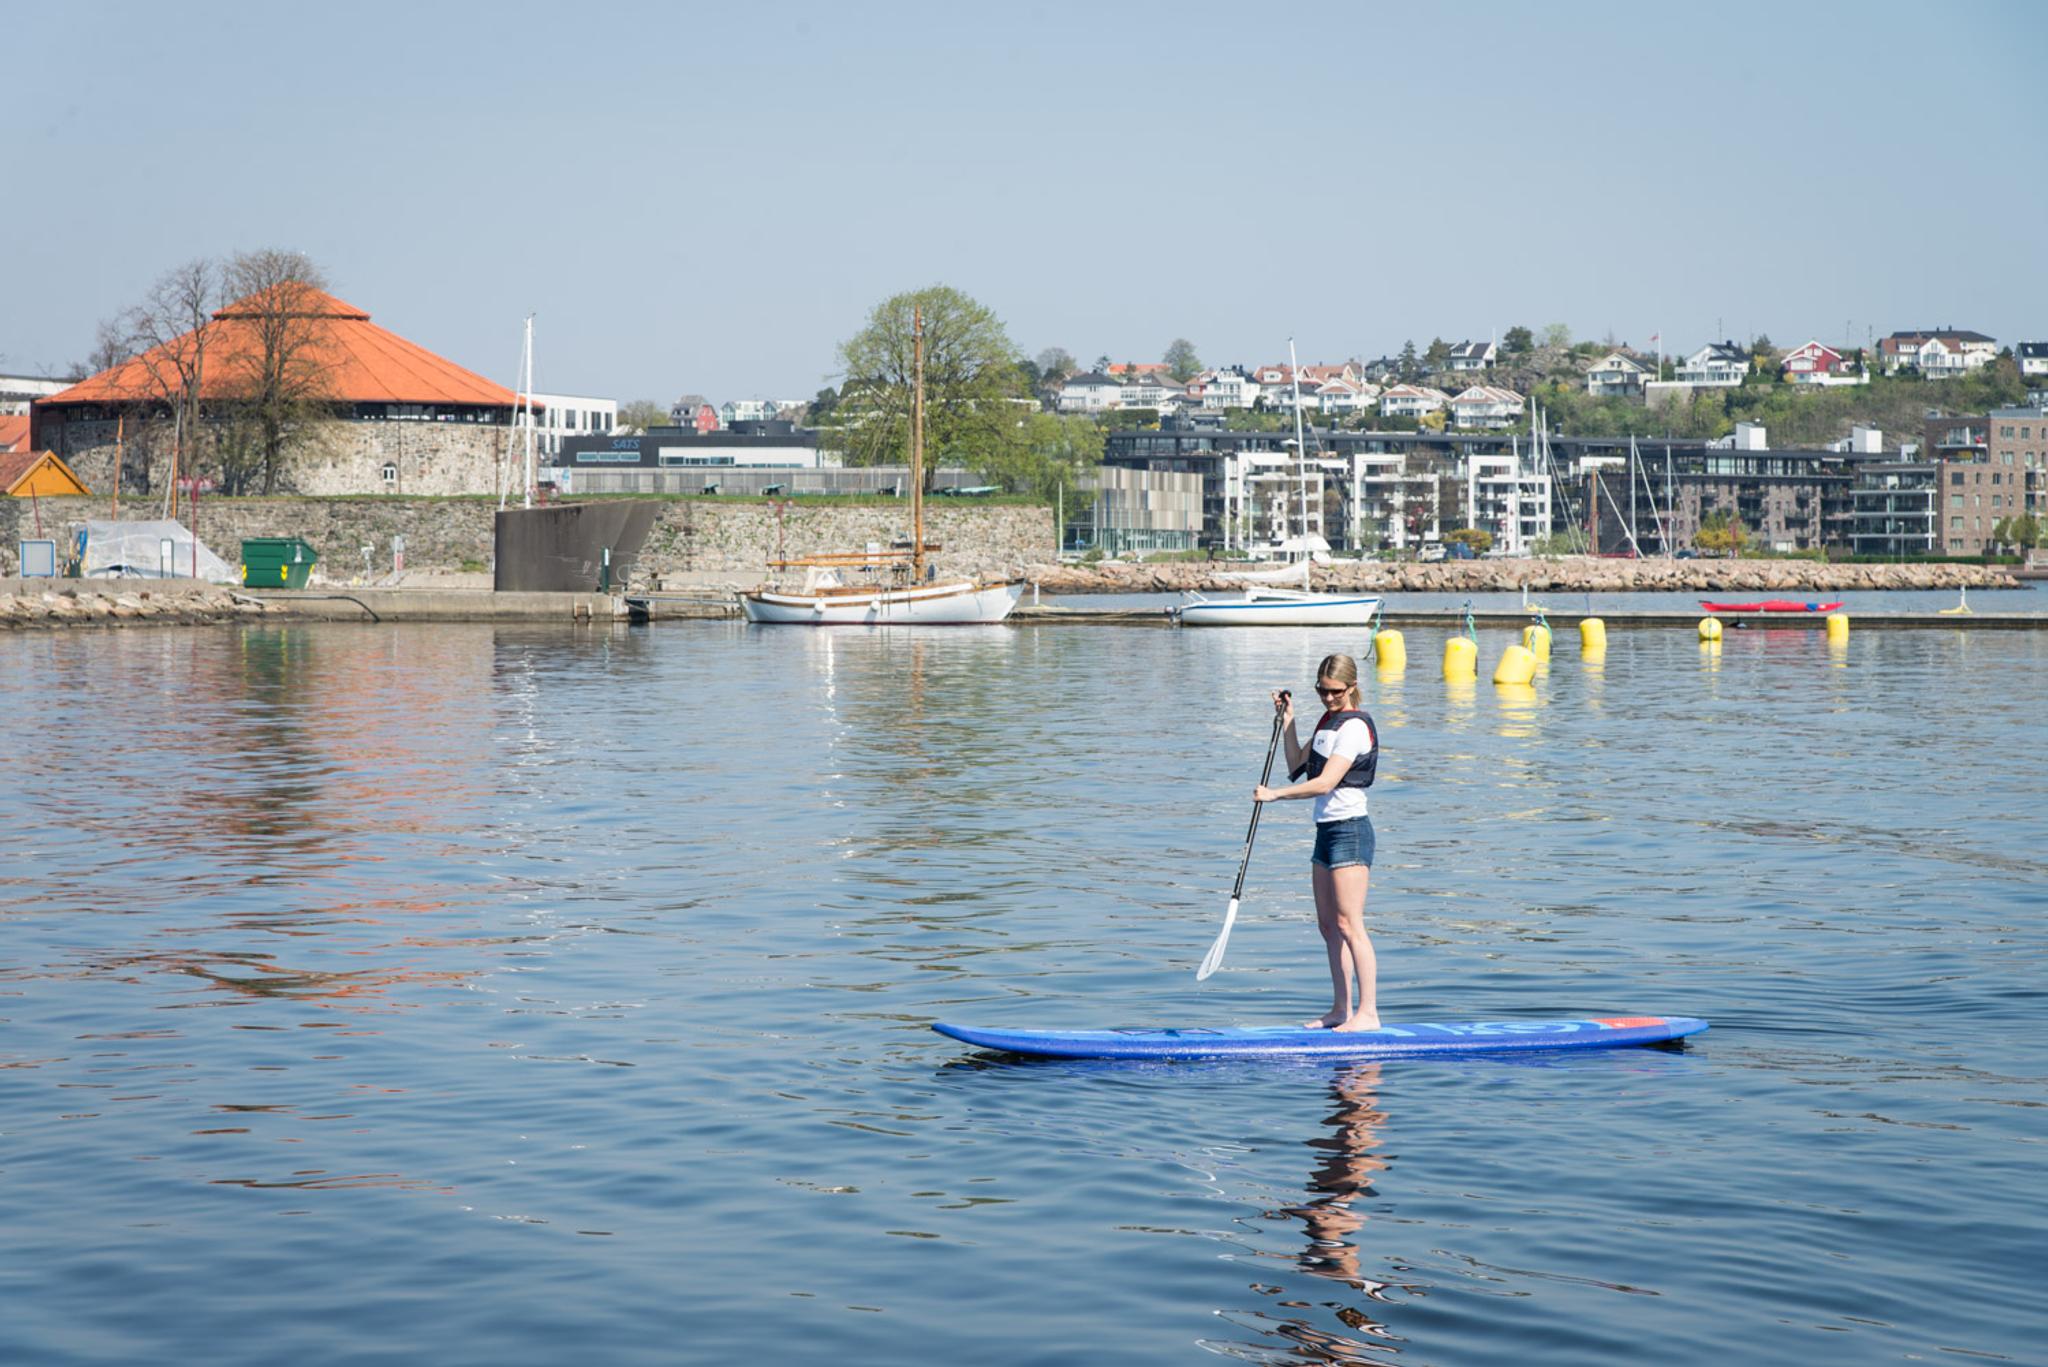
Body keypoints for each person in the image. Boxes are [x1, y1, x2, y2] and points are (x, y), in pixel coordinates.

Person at [1253, 653, 1379, 1030]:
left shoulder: (1354, 727)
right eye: (1322, 691)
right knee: (1328, 926)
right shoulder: (1327, 722)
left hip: (1350, 830)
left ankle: (1368, 1013)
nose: (1328, 698)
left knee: (1350, 924)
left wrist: (1274, 796)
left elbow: (1325, 783)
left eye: (1335, 691)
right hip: (1325, 830)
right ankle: (1341, 1010)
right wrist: (1288, 721)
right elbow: (1296, 765)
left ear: (1352, 687)